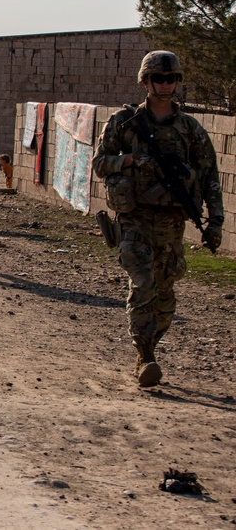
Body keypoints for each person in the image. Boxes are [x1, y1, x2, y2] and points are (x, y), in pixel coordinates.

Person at [93, 50, 223, 388]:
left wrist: (216, 220)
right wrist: (130, 161)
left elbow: (210, 176)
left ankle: (147, 349)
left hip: (172, 222)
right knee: (144, 285)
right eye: (159, 79)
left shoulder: (190, 129)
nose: (166, 85)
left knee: (166, 297)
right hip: (134, 219)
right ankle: (146, 356)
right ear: (146, 81)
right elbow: (100, 163)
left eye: (172, 79)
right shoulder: (125, 123)